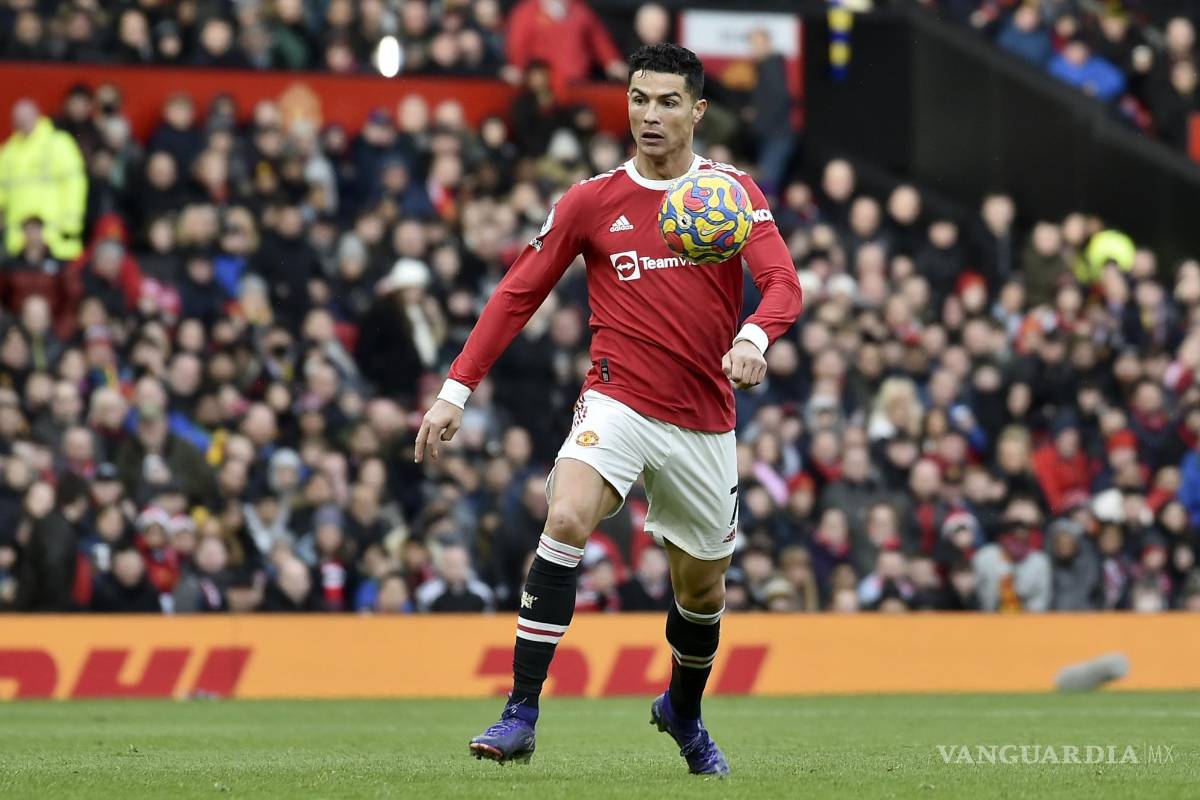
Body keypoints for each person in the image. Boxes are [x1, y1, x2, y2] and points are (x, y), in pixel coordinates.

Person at [416, 43, 802, 773]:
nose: (648, 115)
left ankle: (681, 712)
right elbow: (517, 293)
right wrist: (454, 390)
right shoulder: (592, 200)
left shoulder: (729, 194)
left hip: (702, 418)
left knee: (702, 589)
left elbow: (783, 283)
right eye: (637, 99)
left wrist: (753, 336)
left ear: (697, 110)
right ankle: (519, 714)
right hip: (617, 397)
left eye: (665, 102)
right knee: (564, 517)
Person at [0, 100, 87, 260]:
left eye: (26, 118)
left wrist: (71, 225)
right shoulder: (8, 152)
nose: (23, 123)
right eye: (19, 119)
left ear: (37, 116)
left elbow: (75, 185)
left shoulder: (58, 143)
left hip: (57, 238)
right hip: (18, 243)